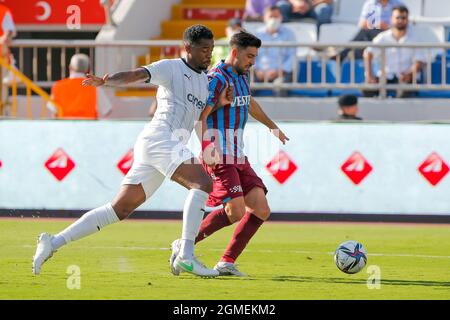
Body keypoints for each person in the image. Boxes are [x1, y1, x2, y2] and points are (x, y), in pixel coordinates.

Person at [32, 25, 233, 278]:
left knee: (119, 209)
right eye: (204, 49)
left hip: (165, 144)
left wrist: (208, 143)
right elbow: (134, 75)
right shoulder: (170, 67)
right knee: (202, 183)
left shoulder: (205, 82)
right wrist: (106, 81)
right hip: (160, 138)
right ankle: (186, 254)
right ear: (187, 48)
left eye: (211, 49)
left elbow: (198, 119)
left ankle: (53, 241)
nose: (209, 54)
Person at [170, 31, 289, 276]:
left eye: (255, 56)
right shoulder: (216, 78)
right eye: (249, 56)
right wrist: (207, 149)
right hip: (219, 153)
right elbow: (201, 116)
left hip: (238, 154)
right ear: (234, 52)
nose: (253, 61)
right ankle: (184, 245)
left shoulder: (243, 75)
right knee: (235, 211)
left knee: (261, 209)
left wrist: (272, 126)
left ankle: (226, 262)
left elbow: (249, 103)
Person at [363, 5, 425, 98]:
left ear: (407, 20)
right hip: (385, 77)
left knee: (404, 92)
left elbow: (419, 61)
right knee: (367, 89)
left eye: (403, 18)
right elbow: (368, 53)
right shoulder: (383, 37)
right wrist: (369, 75)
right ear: (391, 19)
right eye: (397, 17)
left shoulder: (415, 38)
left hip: (406, 78)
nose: (400, 20)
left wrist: (410, 74)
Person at [334, 0, 403, 61]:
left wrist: (386, 26)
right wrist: (378, 24)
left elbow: (402, 23)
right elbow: (362, 24)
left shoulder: (398, 4)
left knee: (363, 37)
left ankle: (342, 55)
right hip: (372, 34)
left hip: (391, 34)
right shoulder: (370, 3)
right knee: (364, 36)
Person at [48, 54, 107, 119]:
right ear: (88, 70)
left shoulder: (58, 86)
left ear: (70, 67)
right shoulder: (94, 86)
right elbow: (107, 110)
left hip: (64, 126)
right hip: (88, 126)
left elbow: (53, 110)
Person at [254, 6, 296, 94]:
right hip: (259, 73)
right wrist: (257, 70)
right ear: (264, 18)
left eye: (276, 16)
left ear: (281, 17)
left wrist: (279, 72)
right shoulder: (257, 34)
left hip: (281, 74)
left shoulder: (289, 34)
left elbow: (292, 56)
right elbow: (251, 55)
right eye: (270, 16)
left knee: (280, 87)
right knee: (245, 86)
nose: (273, 19)